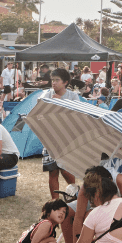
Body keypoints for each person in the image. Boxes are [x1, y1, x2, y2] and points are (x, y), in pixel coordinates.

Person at [40, 68, 80, 199]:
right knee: (53, 171)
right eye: (53, 80)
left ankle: (75, 193)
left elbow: (76, 114)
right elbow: (39, 112)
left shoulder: (73, 96)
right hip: (49, 137)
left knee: (65, 169)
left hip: (66, 137)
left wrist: (60, 102)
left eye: (57, 80)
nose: (54, 83)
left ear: (65, 82)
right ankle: (54, 201)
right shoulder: (46, 94)